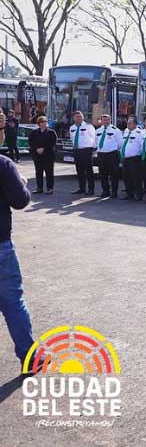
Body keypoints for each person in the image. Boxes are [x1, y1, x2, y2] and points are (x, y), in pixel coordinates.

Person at [0, 110, 35, 372]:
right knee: (13, 303)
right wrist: (21, 183)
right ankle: (31, 359)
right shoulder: (3, 164)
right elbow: (20, 201)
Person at [95, 114, 123, 199]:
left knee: (114, 175)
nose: (105, 121)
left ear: (110, 120)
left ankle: (114, 192)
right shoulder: (98, 131)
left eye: (107, 120)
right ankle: (105, 191)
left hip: (112, 154)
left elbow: (120, 143)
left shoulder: (115, 130)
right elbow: (96, 142)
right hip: (101, 154)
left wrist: (112, 149)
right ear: (101, 121)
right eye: (104, 120)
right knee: (103, 174)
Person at [68, 111, 96, 195]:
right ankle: (81, 188)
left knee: (88, 171)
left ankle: (91, 189)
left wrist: (93, 149)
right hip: (77, 150)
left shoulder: (88, 126)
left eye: (80, 116)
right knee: (79, 170)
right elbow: (72, 139)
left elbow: (94, 138)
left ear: (83, 117)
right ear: (74, 118)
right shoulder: (72, 128)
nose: (78, 118)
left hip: (86, 150)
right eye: (77, 117)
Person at [27, 116, 57, 194]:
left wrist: (44, 148)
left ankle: (50, 188)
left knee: (49, 172)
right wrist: (36, 149)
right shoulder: (34, 132)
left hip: (48, 155)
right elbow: (30, 142)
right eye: (43, 122)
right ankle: (39, 188)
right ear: (39, 123)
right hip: (37, 156)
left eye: (46, 122)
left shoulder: (51, 132)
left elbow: (53, 142)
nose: (45, 123)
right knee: (38, 172)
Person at [120, 117, 144, 201]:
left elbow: (142, 146)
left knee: (136, 177)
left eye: (130, 123)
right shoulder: (126, 131)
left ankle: (138, 195)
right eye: (128, 123)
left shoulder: (140, 133)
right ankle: (129, 194)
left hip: (135, 158)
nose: (128, 124)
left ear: (135, 124)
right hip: (125, 158)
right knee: (126, 177)